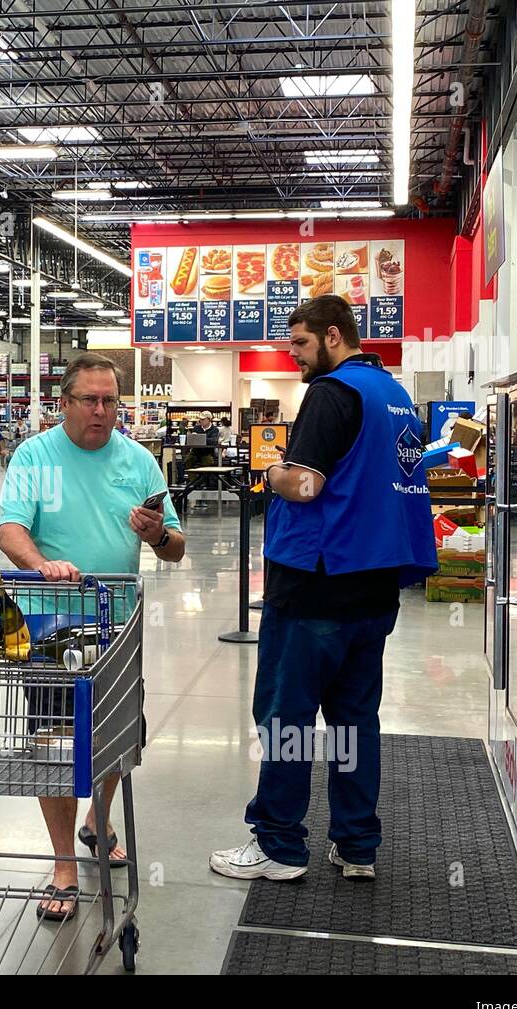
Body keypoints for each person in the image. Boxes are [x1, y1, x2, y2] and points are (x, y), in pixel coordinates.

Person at [209, 295, 437, 883]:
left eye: (301, 346)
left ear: (333, 336)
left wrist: (272, 471)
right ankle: (357, 844)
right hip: (373, 587)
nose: (295, 359)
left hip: (314, 587)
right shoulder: (396, 398)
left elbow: (306, 486)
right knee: (354, 720)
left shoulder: (332, 394)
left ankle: (280, 845)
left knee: (286, 718)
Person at [0, 353, 185, 920]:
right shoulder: (35, 456)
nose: (102, 411)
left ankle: (96, 817)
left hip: (117, 621)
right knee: (54, 743)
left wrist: (158, 535)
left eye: (110, 401)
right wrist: (41, 563)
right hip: (48, 623)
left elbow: (176, 547)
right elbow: (11, 532)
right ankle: (62, 865)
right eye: (91, 400)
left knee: (119, 736)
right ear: (65, 403)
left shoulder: (138, 460)